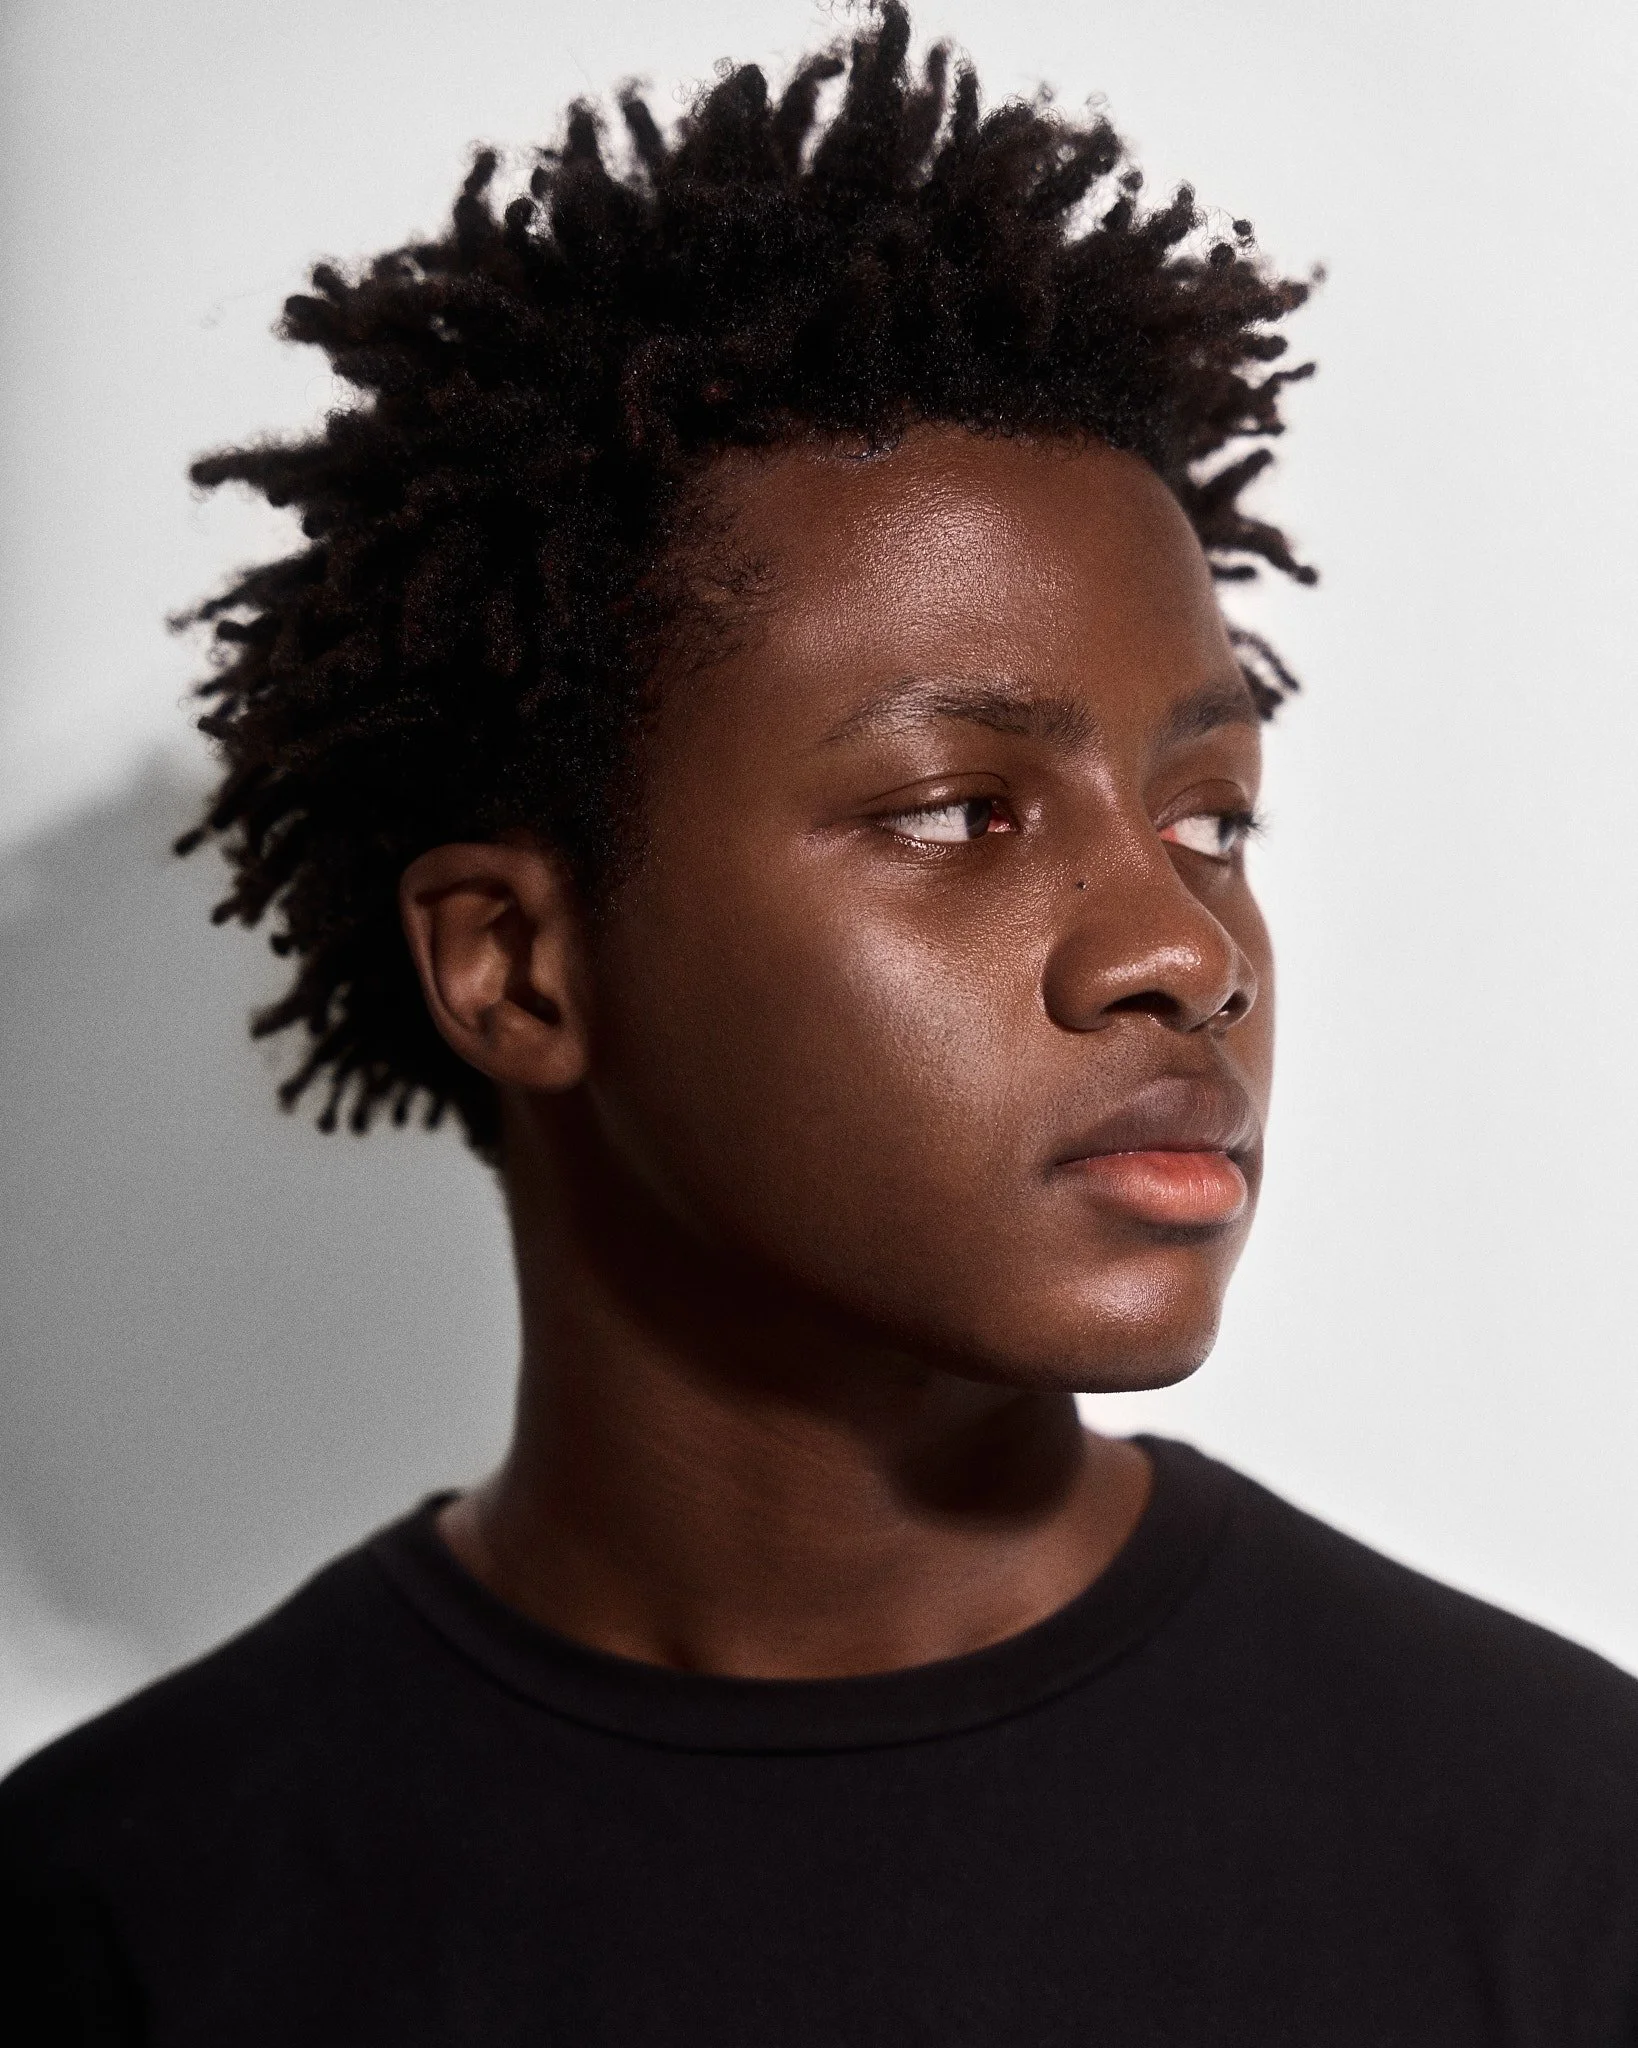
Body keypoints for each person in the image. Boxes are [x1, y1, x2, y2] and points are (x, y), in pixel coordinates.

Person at [3, 6, 1635, 2041]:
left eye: (1211, 816)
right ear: (515, 965)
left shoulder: (1562, 1863)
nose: (1183, 946)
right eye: (957, 810)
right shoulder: (120, 1925)